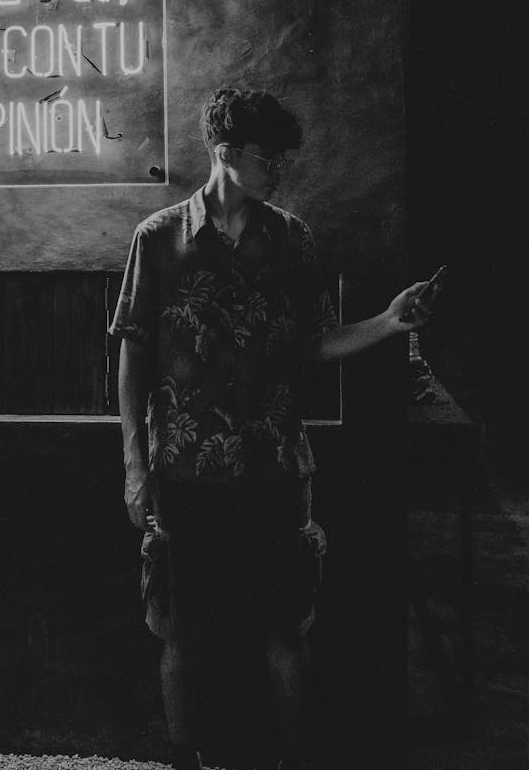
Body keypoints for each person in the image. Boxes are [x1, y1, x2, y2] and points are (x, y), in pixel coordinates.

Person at [109, 85, 433, 770]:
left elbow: (314, 341)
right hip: (187, 472)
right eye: (267, 156)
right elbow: (130, 355)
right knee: (184, 629)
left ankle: (289, 760)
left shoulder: (291, 238)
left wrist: (388, 321)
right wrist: (135, 465)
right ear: (225, 153)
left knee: (283, 629)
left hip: (273, 468)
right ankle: (182, 759)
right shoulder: (159, 239)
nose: (278, 170)